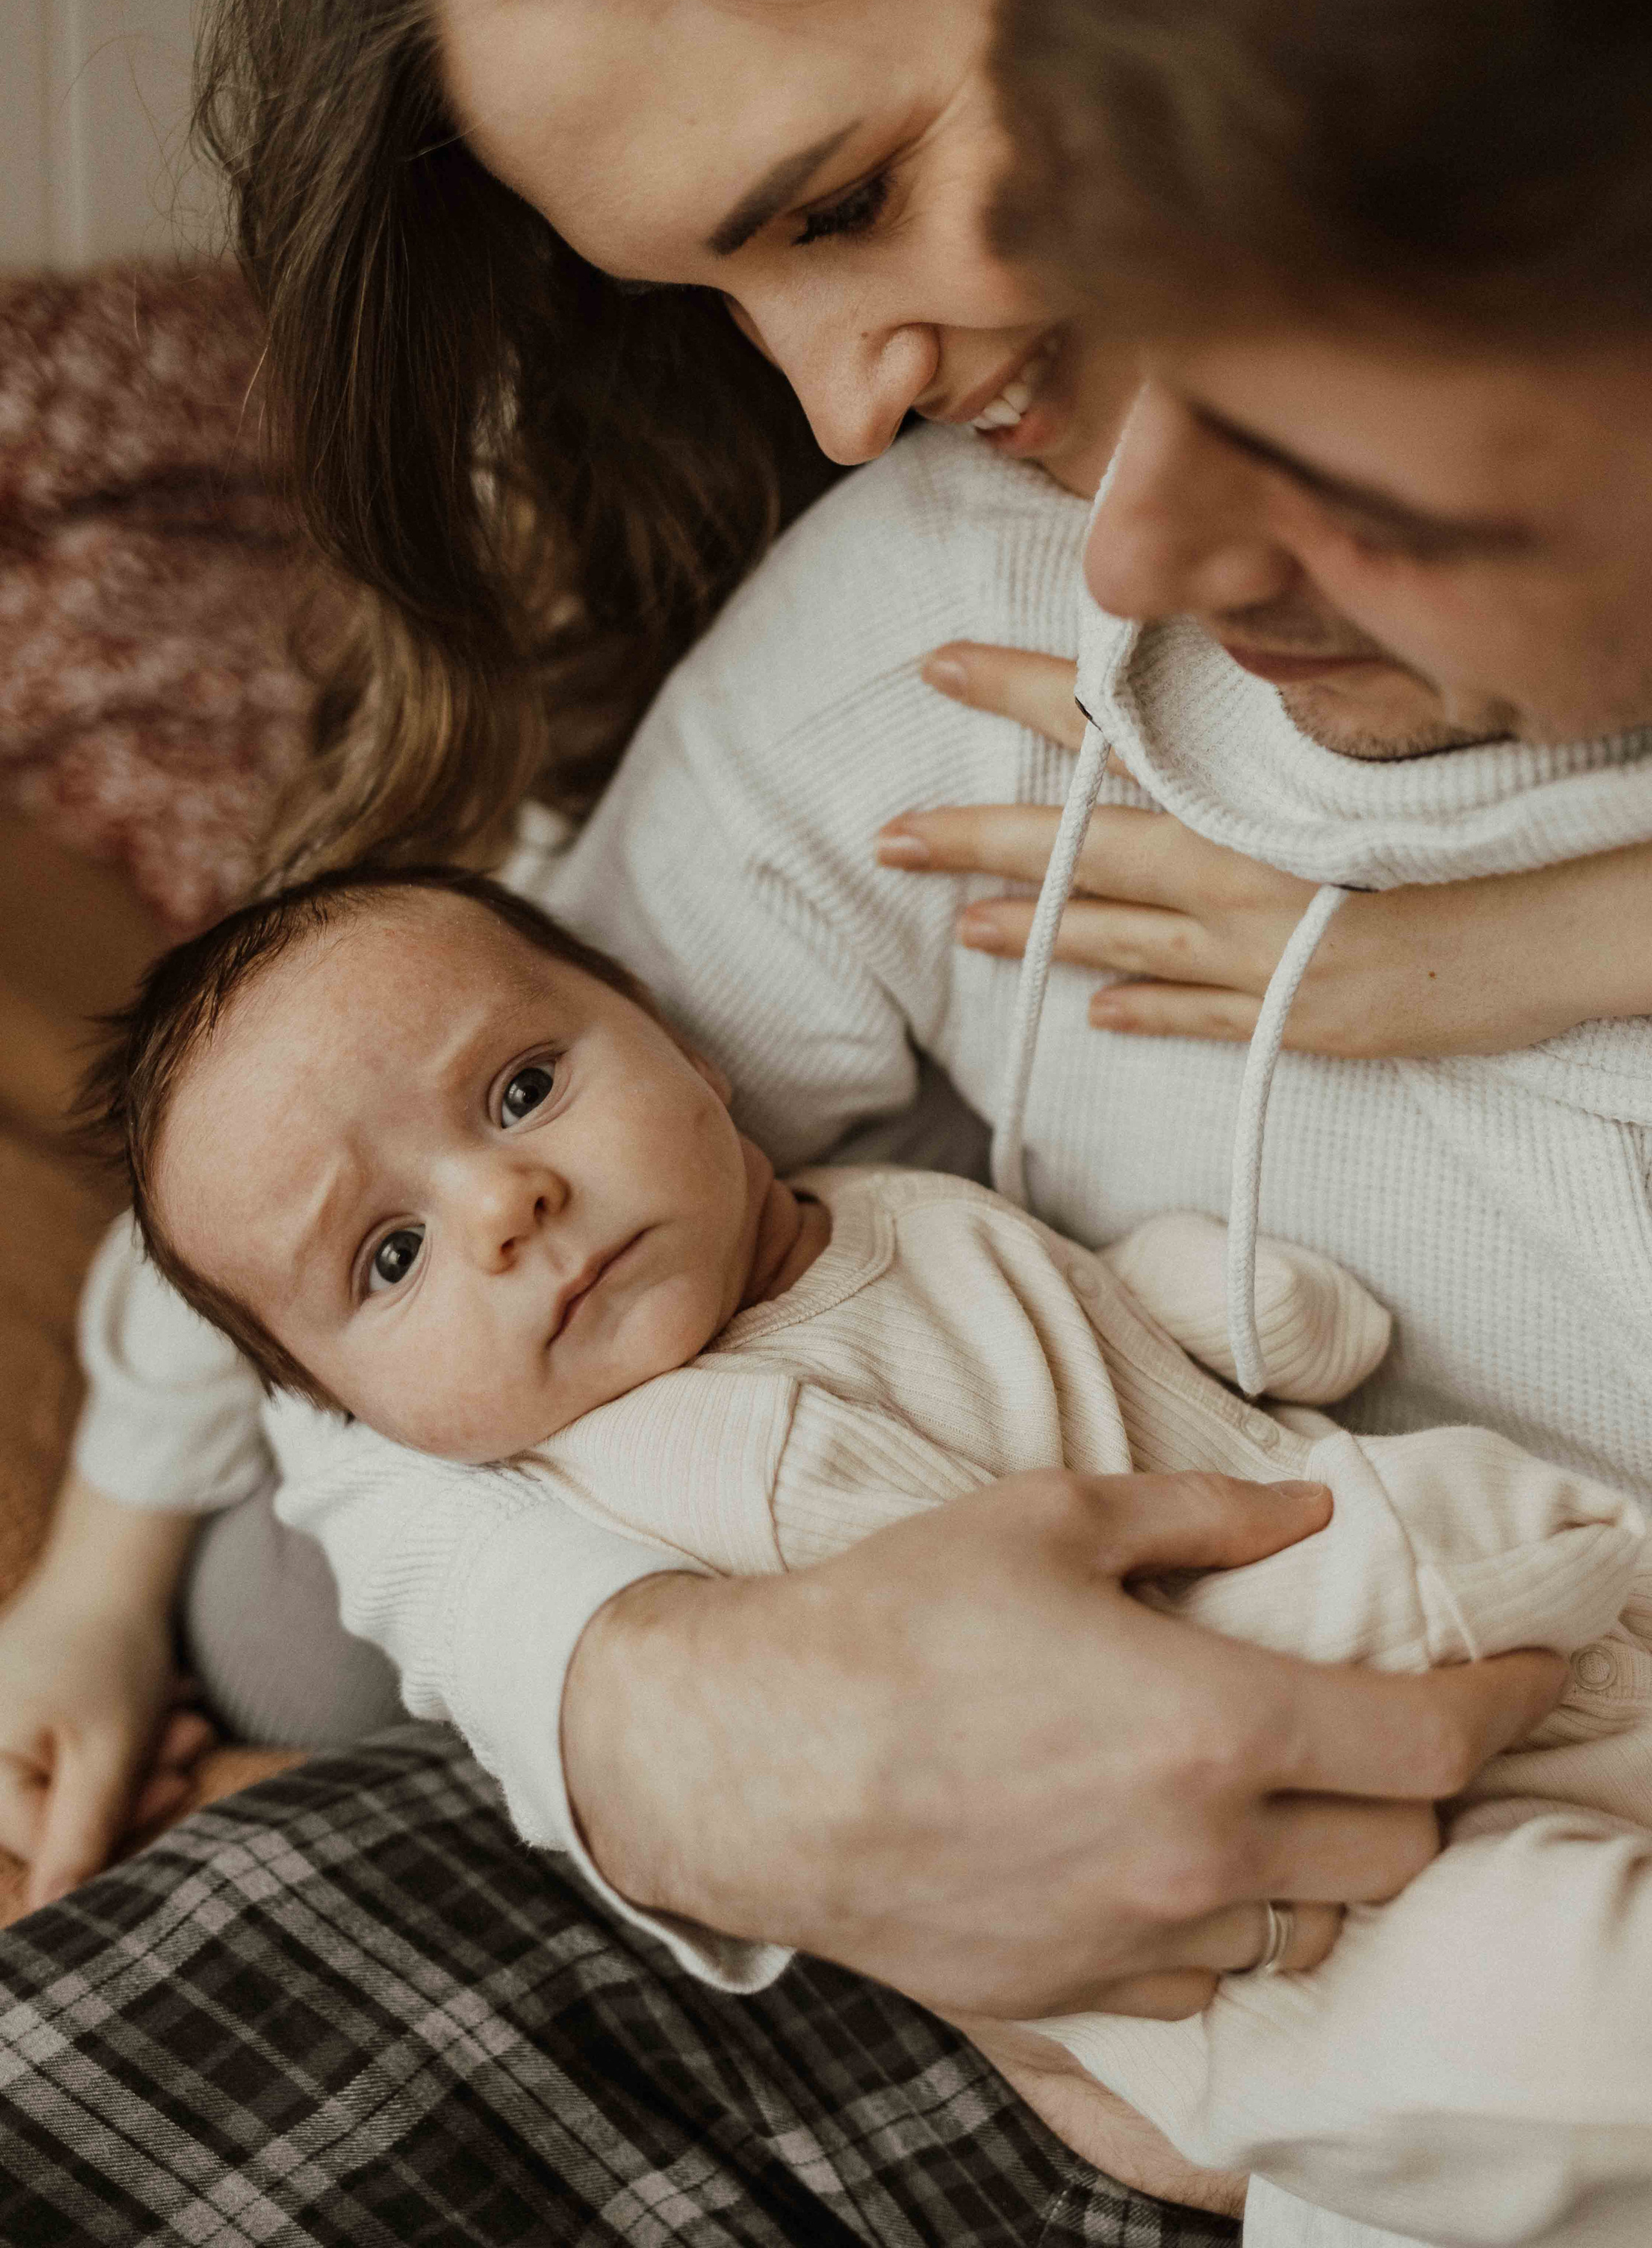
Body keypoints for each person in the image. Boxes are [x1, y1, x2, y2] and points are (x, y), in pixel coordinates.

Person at [1, 0, 1647, 2238]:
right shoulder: (944, 639)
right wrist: (664, 1729)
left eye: (848, 195)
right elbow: (333, 1199)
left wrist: (1531, 941)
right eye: (716, 288)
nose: (837, 408)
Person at [85, 855, 1652, 2248]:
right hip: (1270, 1924)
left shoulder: (881, 1211)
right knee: (1573, 2026)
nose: (505, 1200)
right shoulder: (704, 1462)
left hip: (1458, 1701)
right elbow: (1087, 1686)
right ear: (370, 1421)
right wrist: (1430, 1570)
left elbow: (1066, 1311)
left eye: (520, 1090)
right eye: (393, 1255)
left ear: (687, 1051)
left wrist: (1207, 1302)